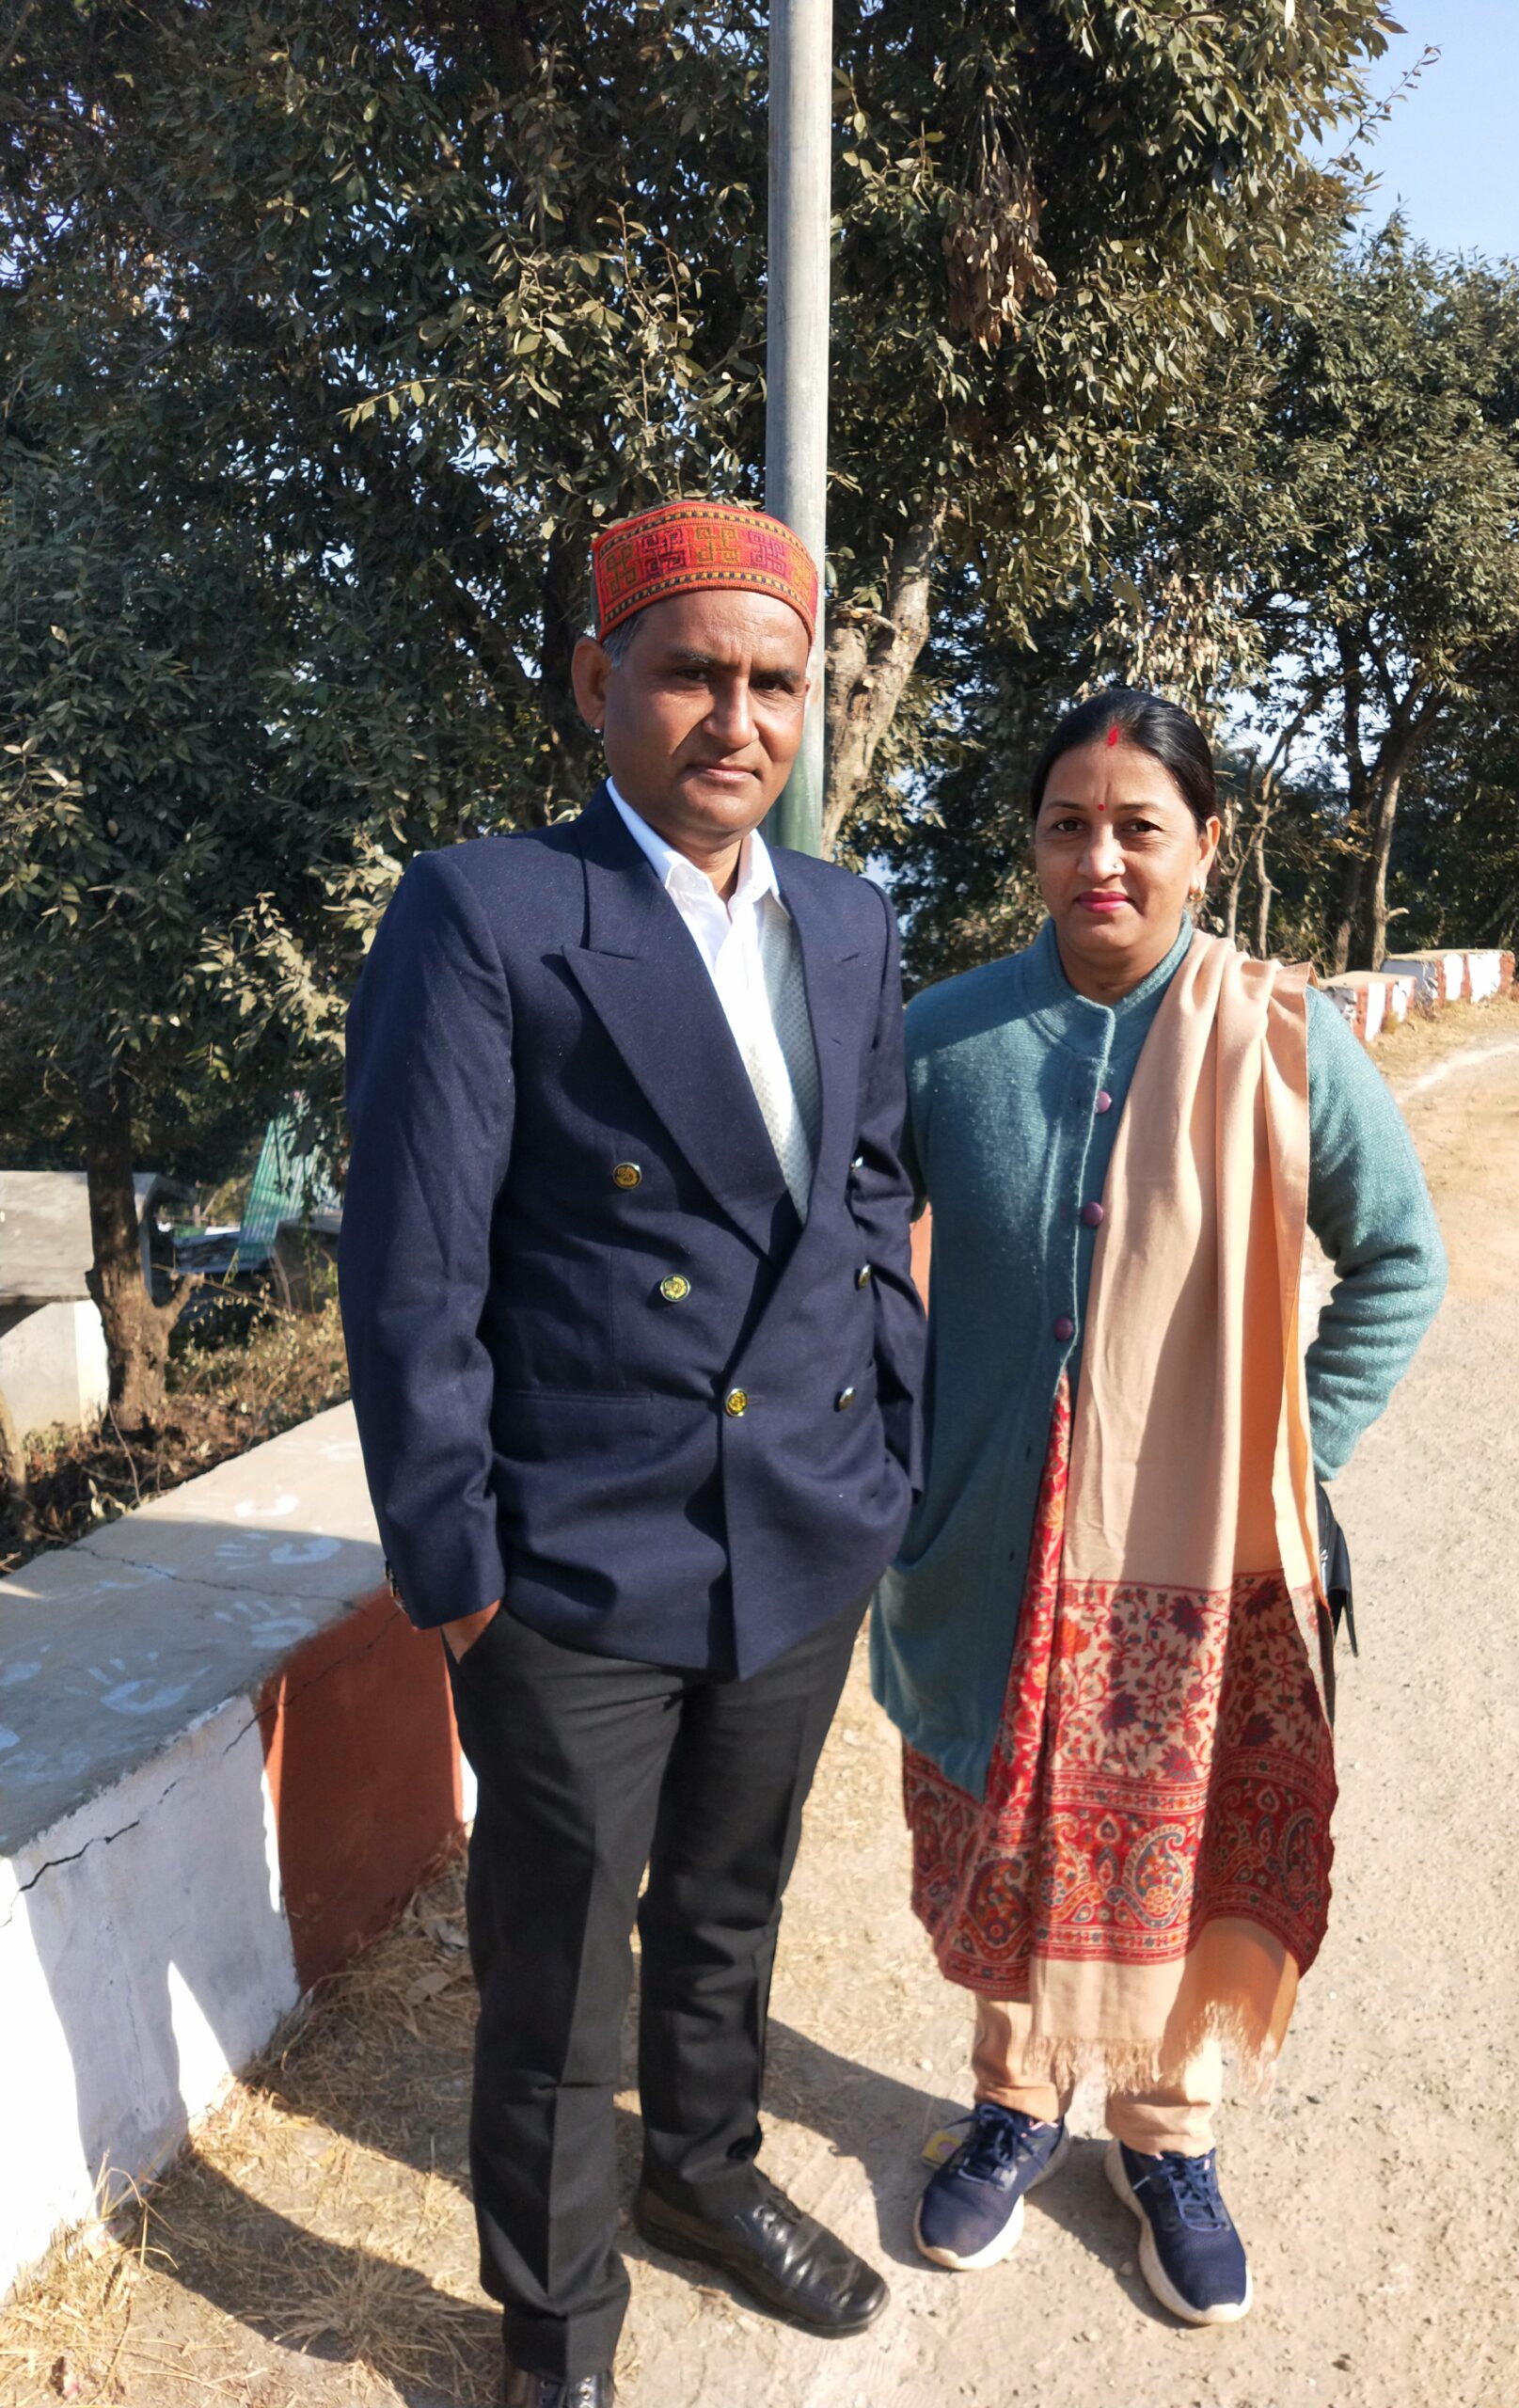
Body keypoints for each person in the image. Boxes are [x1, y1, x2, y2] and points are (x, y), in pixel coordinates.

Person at [339, 499, 926, 2408]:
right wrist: (459, 1573)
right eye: (692, 674)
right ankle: (559, 2330)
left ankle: (702, 2170)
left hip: (801, 1527)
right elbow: (414, 1267)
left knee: (732, 1908)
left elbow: (870, 1192)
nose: (738, 721)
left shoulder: (848, 917)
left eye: (775, 683)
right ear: (600, 679)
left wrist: (891, 1439)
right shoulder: (491, 911)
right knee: (558, 1967)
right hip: (578, 1560)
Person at [873, 687, 1446, 2327]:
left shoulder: (1282, 1037)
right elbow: (855, 1269)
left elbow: (1401, 1261)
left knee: (1180, 1835)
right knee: (1008, 1829)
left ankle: (1166, 2135)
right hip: (986, 1543)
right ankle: (1015, 2103)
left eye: (1139, 827)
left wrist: (1288, 1454)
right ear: (1035, 848)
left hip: (1210, 1560)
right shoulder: (946, 1038)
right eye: (1069, 827)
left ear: (1207, 845)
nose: (1102, 860)